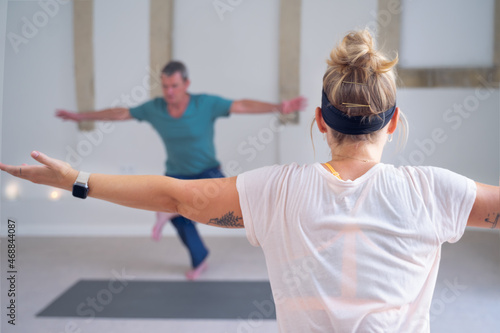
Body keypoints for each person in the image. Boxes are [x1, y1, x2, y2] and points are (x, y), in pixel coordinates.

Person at [2, 30, 498, 332]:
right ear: (393, 121)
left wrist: (78, 179)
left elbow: (178, 194)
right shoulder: (435, 190)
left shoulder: (276, 189)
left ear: (321, 123)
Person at [55, 61, 306, 280]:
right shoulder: (155, 108)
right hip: (176, 173)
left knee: (216, 201)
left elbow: (241, 105)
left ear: (186, 83)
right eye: (165, 86)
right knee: (183, 220)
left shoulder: (205, 103)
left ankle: (167, 212)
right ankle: (199, 258)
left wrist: (279, 107)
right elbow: (119, 113)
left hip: (208, 172)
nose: (169, 92)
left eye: (174, 86)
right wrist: (80, 116)